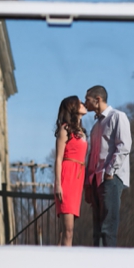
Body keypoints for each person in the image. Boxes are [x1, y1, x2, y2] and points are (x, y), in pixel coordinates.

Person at [84, 85, 131, 247]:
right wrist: (88, 185)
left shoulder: (117, 117)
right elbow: (92, 156)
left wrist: (110, 172)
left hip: (110, 180)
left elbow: (124, 146)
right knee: (97, 231)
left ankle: (110, 266)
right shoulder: (95, 126)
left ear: (97, 100)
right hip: (96, 181)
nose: (85, 103)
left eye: (87, 100)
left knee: (108, 229)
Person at [53, 96, 87, 246]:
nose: (83, 104)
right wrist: (58, 184)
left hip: (78, 178)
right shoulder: (64, 129)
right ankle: (65, 263)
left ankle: (56, 262)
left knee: (64, 232)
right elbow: (59, 158)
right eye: (80, 103)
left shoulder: (82, 131)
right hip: (67, 177)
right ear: (73, 108)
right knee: (68, 230)